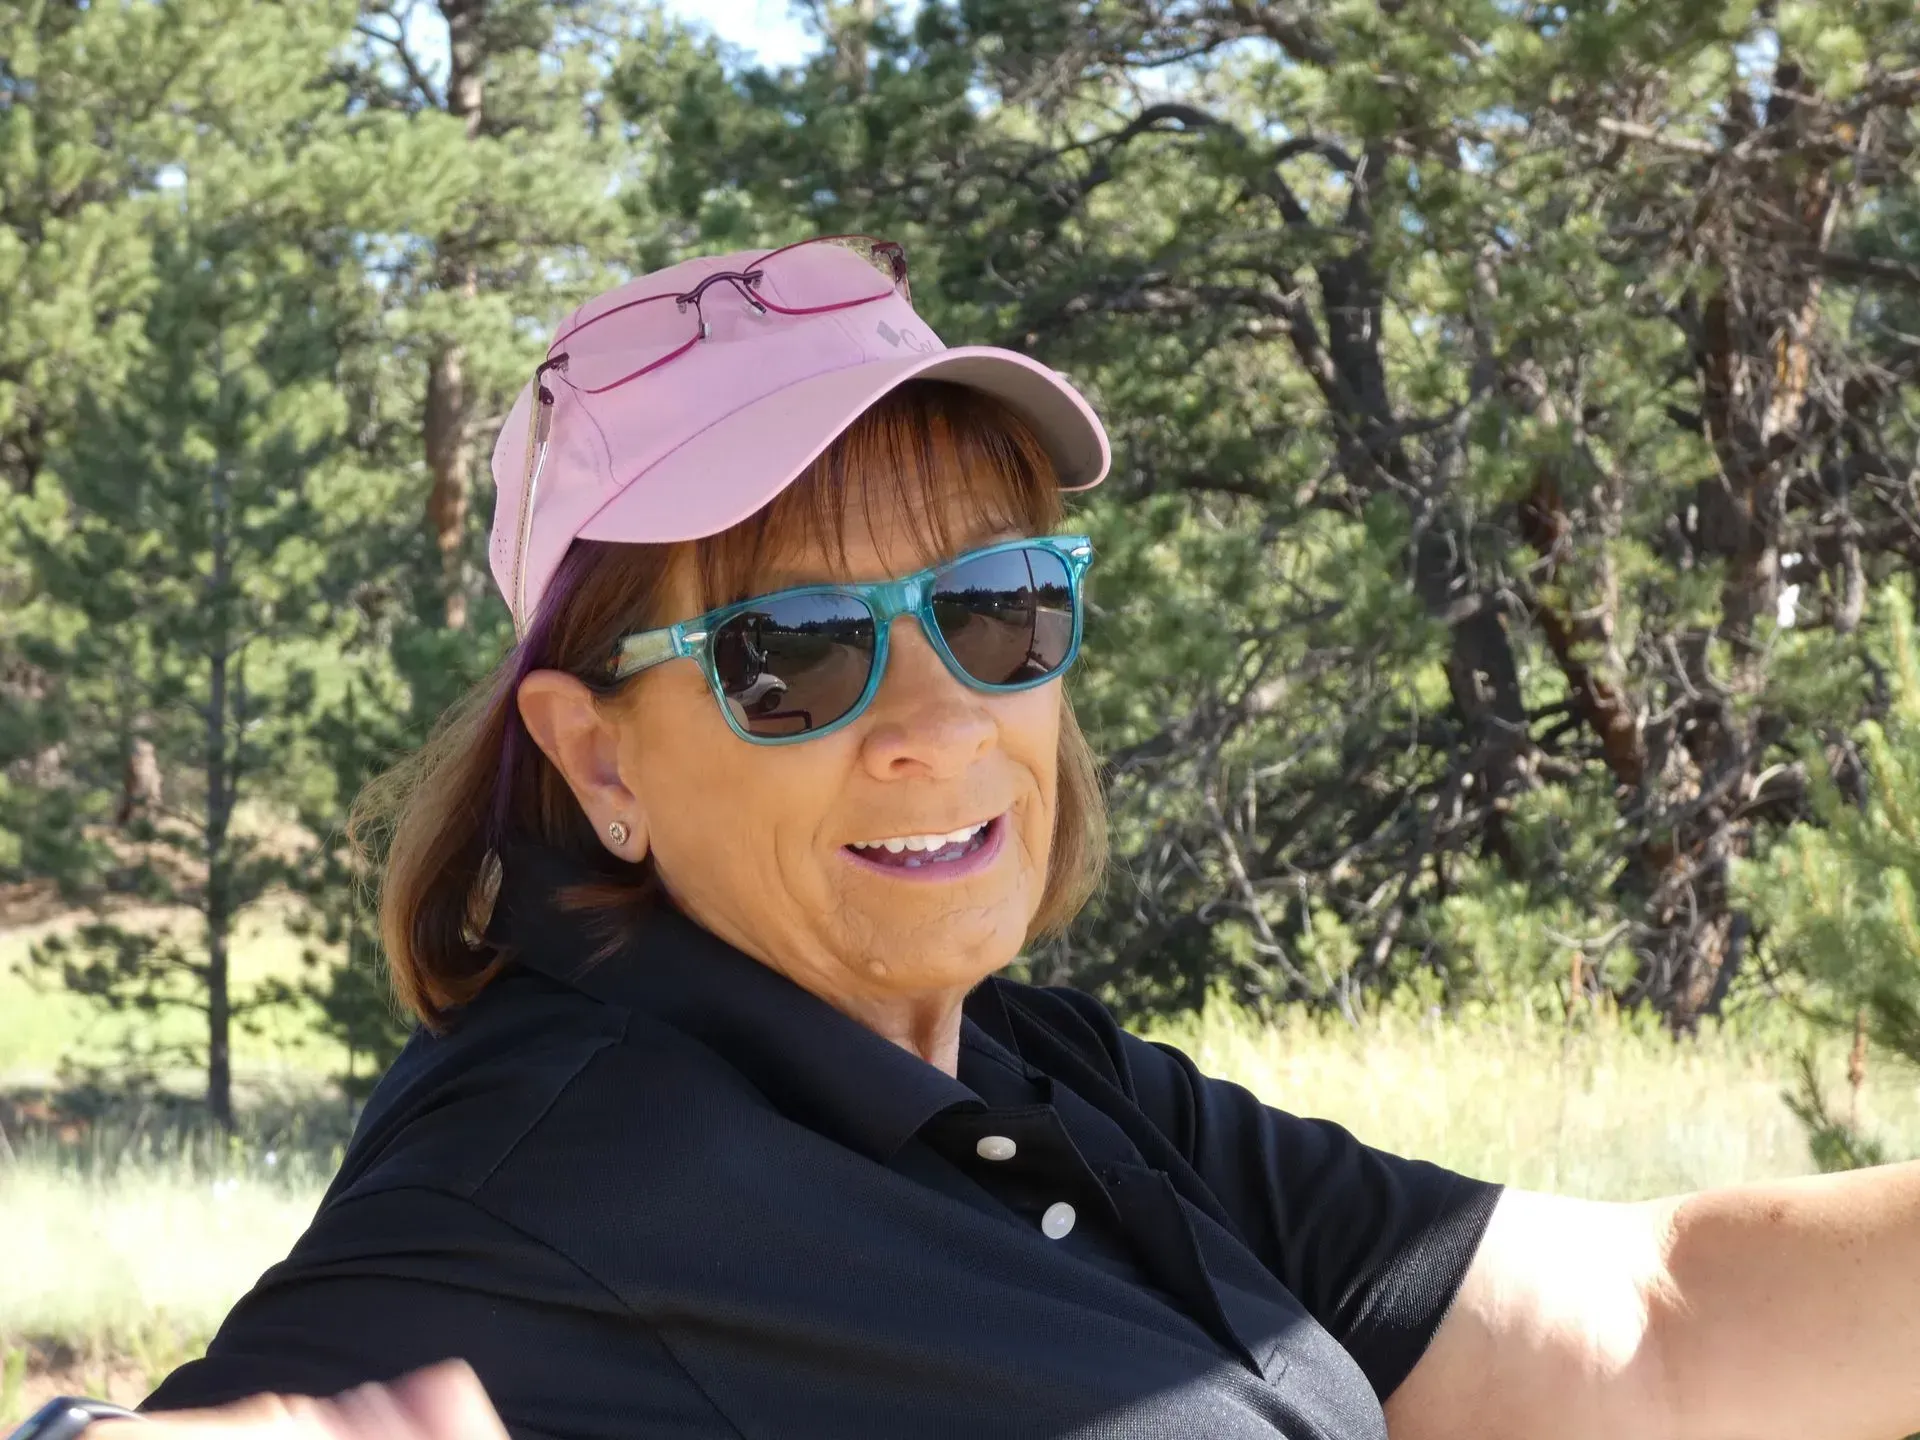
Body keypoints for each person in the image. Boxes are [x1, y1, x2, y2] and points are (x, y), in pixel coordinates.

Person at [39, 234, 1920, 1440]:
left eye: (999, 605)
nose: (939, 717)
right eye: (790, 654)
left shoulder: (1046, 1088)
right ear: (593, 755)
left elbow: (1655, 1328)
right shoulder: (547, 1172)